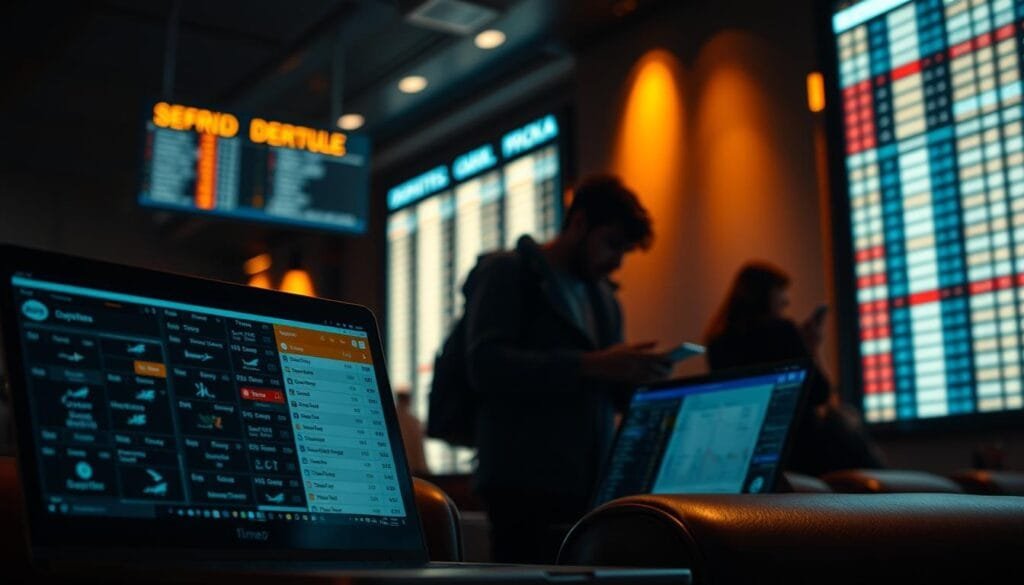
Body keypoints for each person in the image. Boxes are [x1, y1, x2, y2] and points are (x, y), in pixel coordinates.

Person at [462, 174, 672, 563]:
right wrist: (593, 365)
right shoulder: (509, 272)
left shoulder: (604, 298)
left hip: (590, 483)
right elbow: (486, 365)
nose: (617, 261)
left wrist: (636, 375)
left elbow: (604, 385)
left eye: (624, 251)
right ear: (579, 223)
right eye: (611, 243)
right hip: (521, 481)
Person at [704, 261, 886, 476]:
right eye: (781, 291)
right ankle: (889, 492)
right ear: (765, 294)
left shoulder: (716, 342)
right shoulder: (781, 331)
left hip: (745, 451)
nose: (786, 300)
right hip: (800, 451)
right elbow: (820, 393)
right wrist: (812, 348)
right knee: (845, 419)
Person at [394, 388, 429, 476]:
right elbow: (419, 449)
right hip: (414, 469)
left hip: (398, 467)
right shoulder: (413, 422)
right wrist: (424, 469)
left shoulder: (390, 420)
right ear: (408, 400)